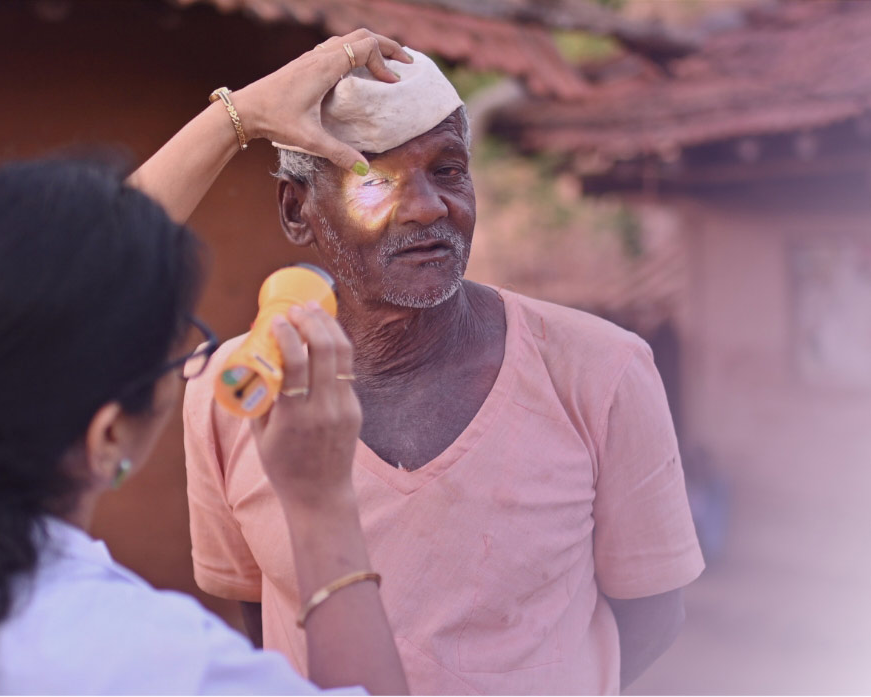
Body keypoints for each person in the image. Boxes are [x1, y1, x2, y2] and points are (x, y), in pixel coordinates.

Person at [0, 31, 415, 695]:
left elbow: (47, 287)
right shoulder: (146, 662)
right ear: (107, 437)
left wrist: (238, 117)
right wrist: (319, 505)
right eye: (177, 344)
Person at [183, 47, 706, 694]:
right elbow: (260, 613)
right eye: (374, 179)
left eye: (448, 170)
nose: (428, 206)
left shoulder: (602, 371)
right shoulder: (235, 389)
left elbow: (652, 616)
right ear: (298, 210)